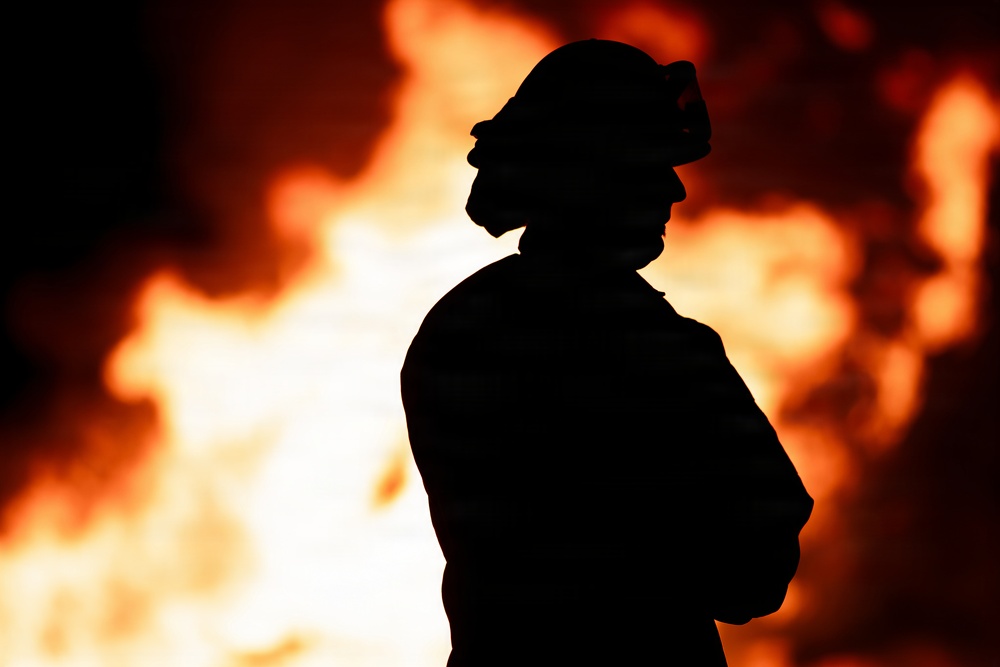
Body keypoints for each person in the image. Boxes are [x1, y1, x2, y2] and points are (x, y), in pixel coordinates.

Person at [401, 39, 813, 666]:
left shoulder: (459, 328)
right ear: (594, 177)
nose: (674, 190)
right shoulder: (659, 349)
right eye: (650, 165)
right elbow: (755, 568)